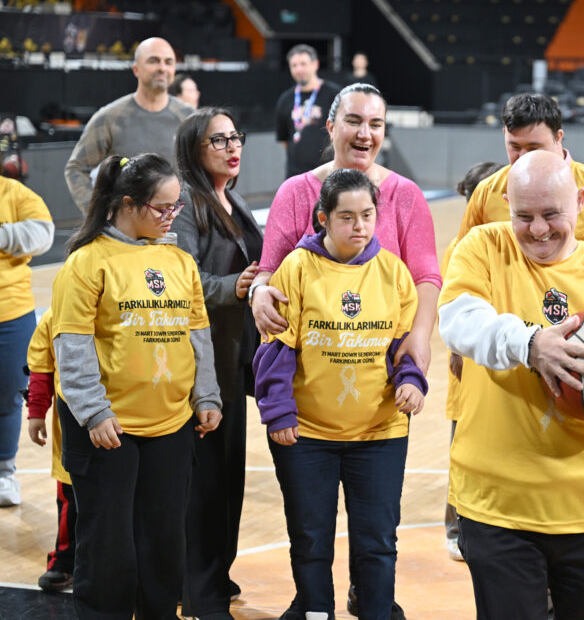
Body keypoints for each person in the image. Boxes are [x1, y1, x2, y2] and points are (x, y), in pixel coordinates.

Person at [438, 149, 584, 620]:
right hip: (499, 505)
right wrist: (530, 344)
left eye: (551, 214)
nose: (539, 229)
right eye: (524, 216)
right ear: (507, 205)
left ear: (580, 202)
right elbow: (459, 320)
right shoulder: (482, 248)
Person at [252, 82, 438, 619]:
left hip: (378, 379)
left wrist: (418, 344)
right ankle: (314, 603)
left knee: (376, 526)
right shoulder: (296, 193)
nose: (365, 132)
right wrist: (262, 291)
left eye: (376, 123)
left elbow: (424, 275)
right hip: (312, 386)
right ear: (329, 126)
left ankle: (369, 597)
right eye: (354, 120)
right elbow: (275, 266)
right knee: (309, 526)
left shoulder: (404, 196)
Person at [51, 153, 222, 619]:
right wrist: (94, 411)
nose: (171, 217)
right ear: (127, 203)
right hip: (108, 429)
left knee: (164, 545)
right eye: (162, 208)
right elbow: (72, 343)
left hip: (171, 424)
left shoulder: (179, 261)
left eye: (176, 207)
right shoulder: (87, 262)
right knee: (108, 552)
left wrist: (206, 395)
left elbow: (197, 333)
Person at [174, 107, 263, 619]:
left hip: (233, 357)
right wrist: (237, 286)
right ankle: (197, 584)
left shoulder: (234, 201)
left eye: (236, 137)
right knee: (205, 480)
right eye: (219, 140)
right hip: (200, 361)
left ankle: (215, 573)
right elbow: (181, 282)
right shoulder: (187, 202)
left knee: (228, 475)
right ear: (194, 149)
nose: (233, 147)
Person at [456, 93, 584, 266]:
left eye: (534, 147)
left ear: (558, 137)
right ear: (505, 134)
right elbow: (465, 258)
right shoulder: (486, 191)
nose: (523, 157)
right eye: (514, 147)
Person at [442, 160, 504, 562]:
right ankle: (454, 527)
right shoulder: (461, 250)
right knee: (462, 453)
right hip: (468, 377)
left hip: (501, 373)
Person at [65, 37, 194, 213]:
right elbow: (76, 169)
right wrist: (99, 214)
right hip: (128, 233)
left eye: (168, 62)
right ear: (136, 69)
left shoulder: (189, 117)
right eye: (153, 61)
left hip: (180, 227)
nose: (162, 68)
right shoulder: (109, 117)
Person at [0, 174, 53, 505]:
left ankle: (4, 472)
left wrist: (3, 234)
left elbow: (43, 234)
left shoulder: (13, 191)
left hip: (10, 313)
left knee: (7, 395)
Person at [25, 309, 77, 592]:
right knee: (70, 503)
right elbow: (41, 367)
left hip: (127, 424)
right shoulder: (55, 315)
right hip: (70, 432)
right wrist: (36, 411)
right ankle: (65, 562)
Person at [275, 44, 342, 179]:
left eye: (303, 64)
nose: (299, 69)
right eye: (294, 65)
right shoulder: (285, 99)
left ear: (315, 64)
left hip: (328, 173)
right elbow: (285, 140)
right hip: (296, 175)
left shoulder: (335, 95)